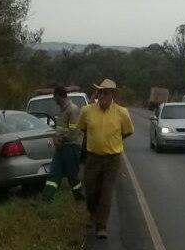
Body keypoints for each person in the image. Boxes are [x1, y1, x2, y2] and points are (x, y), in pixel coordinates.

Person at [76, 79, 134, 239]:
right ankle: (92, 213)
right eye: (100, 92)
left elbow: (128, 131)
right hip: (93, 157)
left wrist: (113, 141)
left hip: (112, 159)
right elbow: (81, 128)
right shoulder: (87, 111)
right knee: (91, 188)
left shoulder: (122, 112)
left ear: (112, 95)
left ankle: (102, 226)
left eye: (105, 93)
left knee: (106, 192)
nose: (102, 95)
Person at [42, 85, 85, 202]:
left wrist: (62, 140)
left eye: (54, 97)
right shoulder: (62, 111)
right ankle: (47, 197)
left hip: (71, 147)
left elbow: (74, 131)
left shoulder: (73, 110)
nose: (53, 99)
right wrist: (55, 138)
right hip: (61, 148)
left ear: (58, 96)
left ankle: (79, 196)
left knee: (72, 175)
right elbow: (59, 129)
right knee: (54, 173)